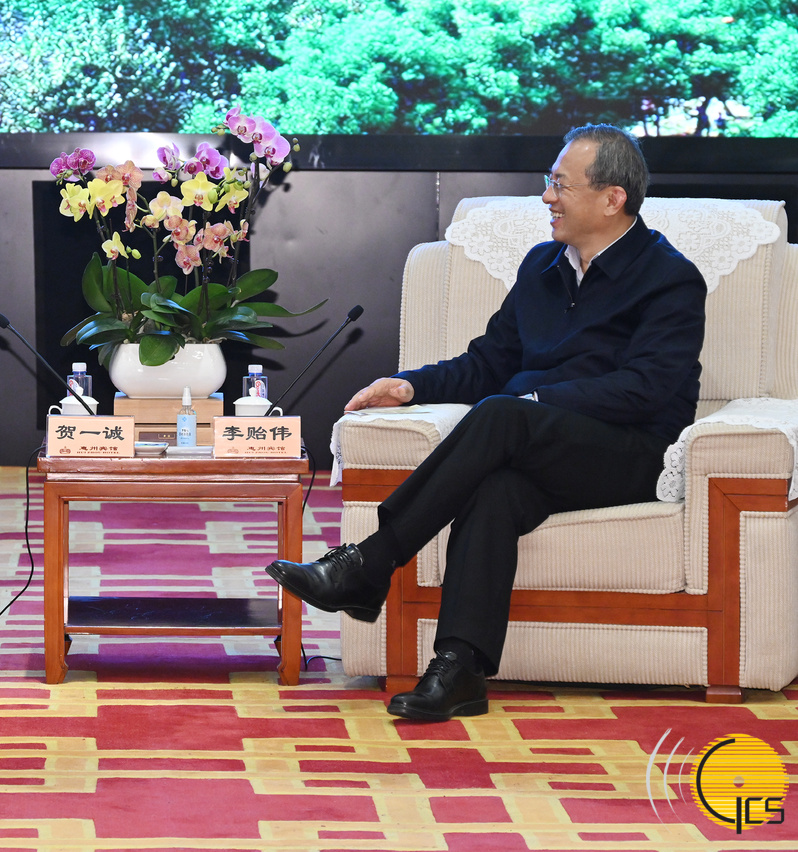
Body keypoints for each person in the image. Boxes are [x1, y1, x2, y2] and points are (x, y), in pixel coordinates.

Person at [267, 124, 707, 721]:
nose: (546, 198)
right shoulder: (542, 266)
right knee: (497, 488)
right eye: (547, 183)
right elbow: (489, 361)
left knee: (504, 413)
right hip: (542, 444)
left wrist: (535, 403)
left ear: (613, 198)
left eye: (560, 185)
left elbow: (644, 389)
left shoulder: (670, 278)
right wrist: (410, 384)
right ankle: (459, 669)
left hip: (630, 454)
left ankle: (371, 563)